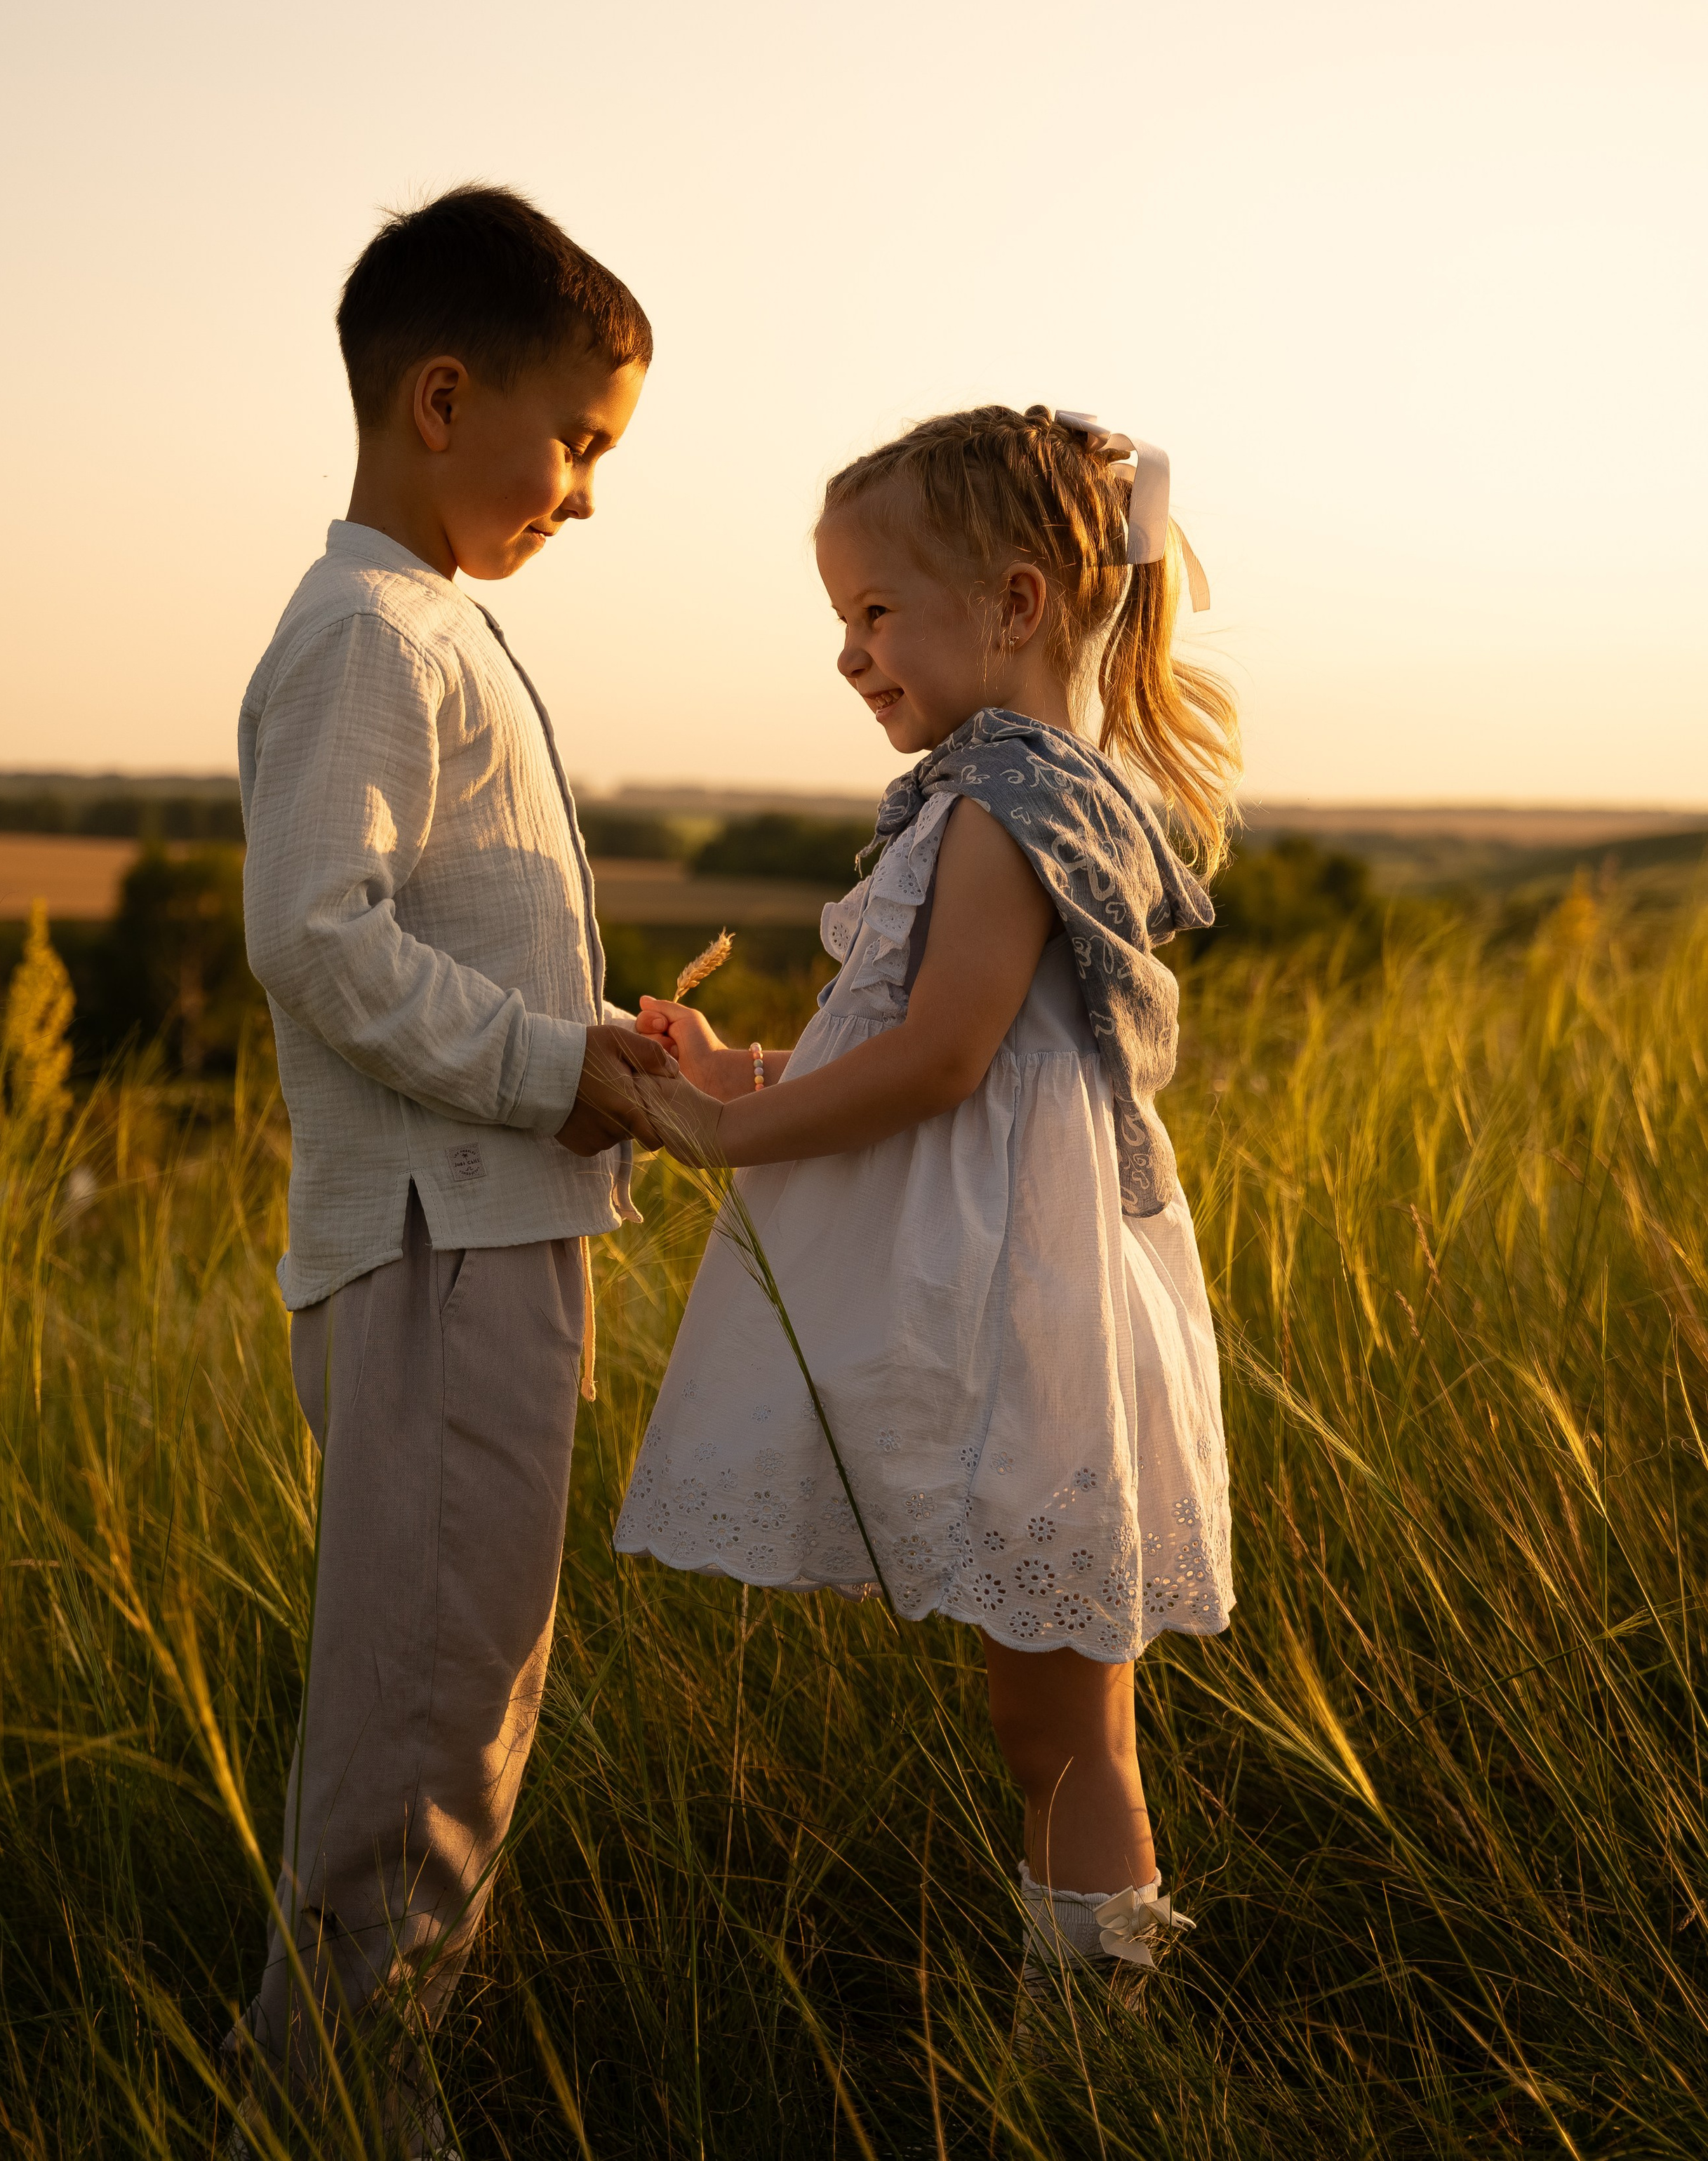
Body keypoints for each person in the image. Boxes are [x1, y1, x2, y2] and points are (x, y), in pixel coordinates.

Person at [617, 403, 1240, 1995]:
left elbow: (944, 1062)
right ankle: (1089, 2003)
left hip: (1028, 1320)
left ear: (1018, 603)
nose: (849, 653)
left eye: (874, 611)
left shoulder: (1005, 805)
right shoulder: (991, 793)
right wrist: (744, 1066)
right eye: (842, 617)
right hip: (1016, 1306)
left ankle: (1102, 2027)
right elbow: (889, 1048)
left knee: (1062, 1726)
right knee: (1041, 1717)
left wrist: (716, 1134)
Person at [225, 185, 677, 2155]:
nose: (586, 492)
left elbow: (448, 931)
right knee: (412, 1744)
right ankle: (334, 2113)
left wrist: (597, 1039)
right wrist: (544, 1064)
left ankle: (356, 2093)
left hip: (499, 1244)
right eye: (576, 440)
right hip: (433, 1260)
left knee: (467, 1706)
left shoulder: (434, 626)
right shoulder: (361, 632)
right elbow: (317, 938)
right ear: (437, 398)